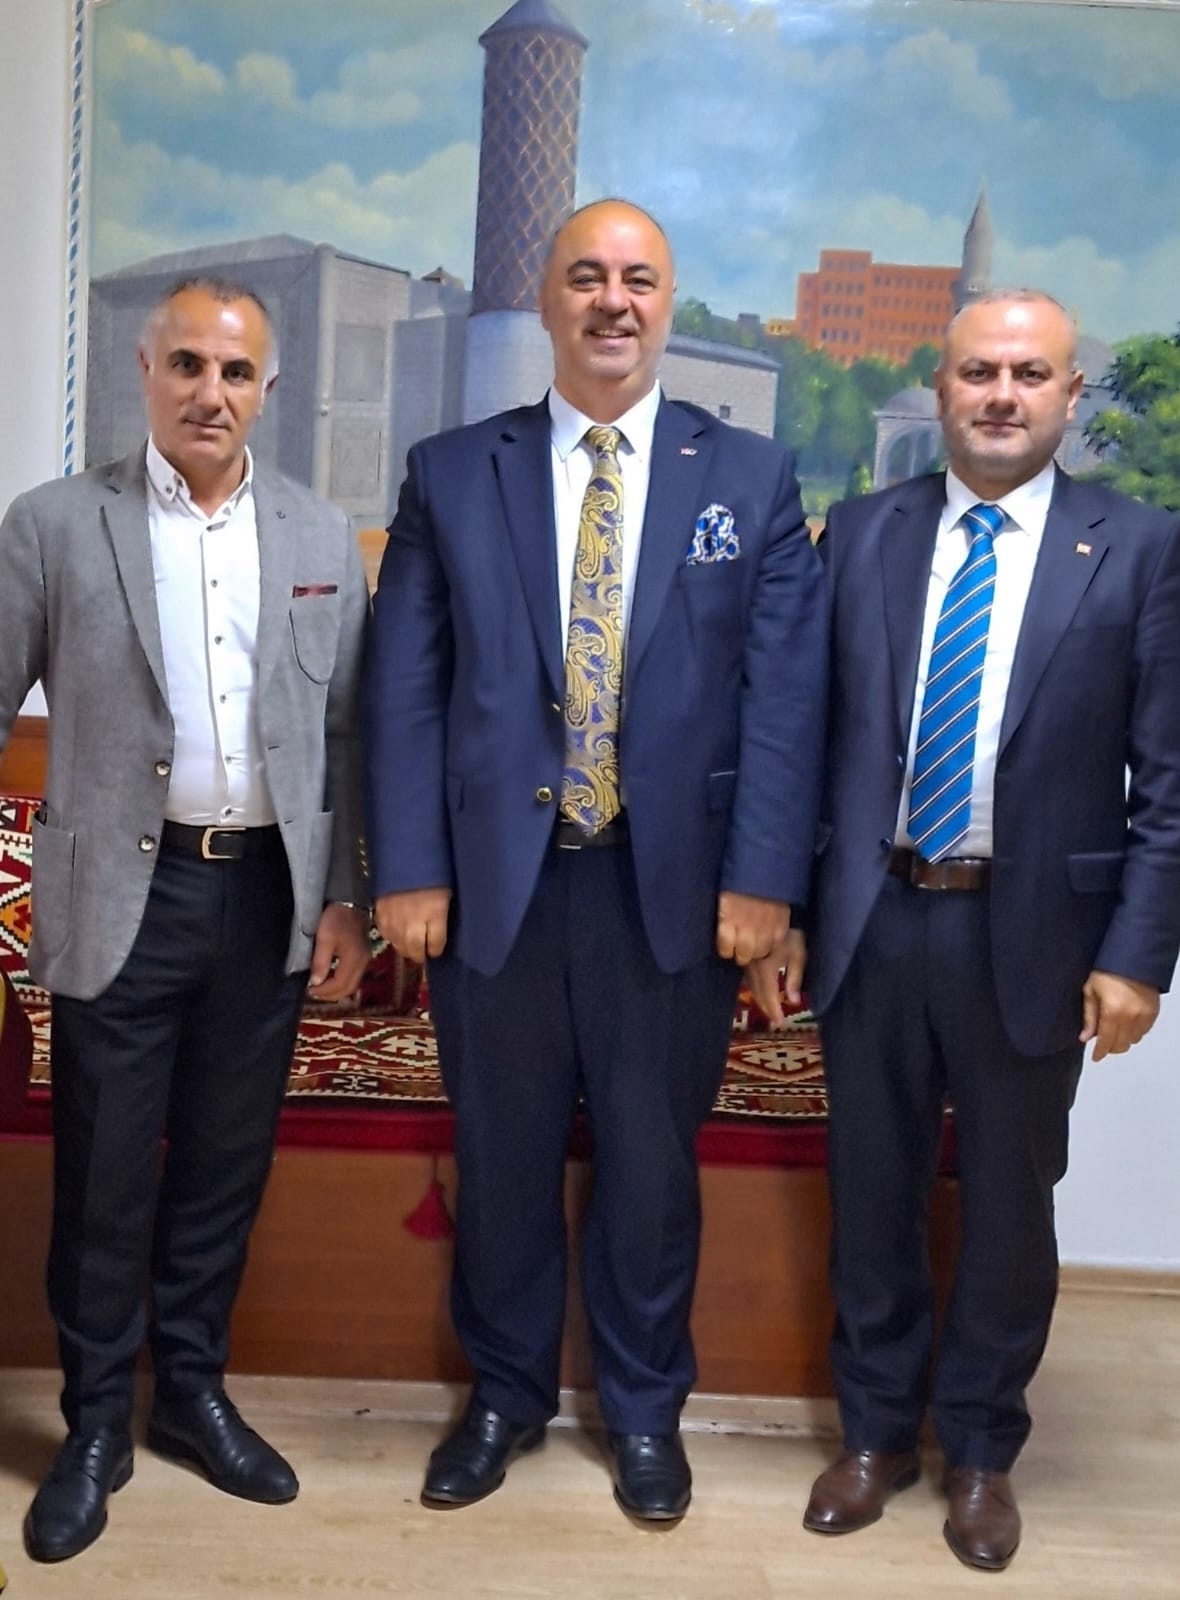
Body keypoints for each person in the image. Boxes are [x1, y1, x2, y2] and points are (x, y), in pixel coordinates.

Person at [363, 199, 826, 1522]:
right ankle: (503, 1396)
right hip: (495, 891)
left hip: (669, 895)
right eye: (586, 277)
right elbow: (405, 686)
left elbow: (785, 699)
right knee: (501, 1158)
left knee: (650, 1168)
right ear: (549, 300)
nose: (612, 301)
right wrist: (407, 866)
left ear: (667, 302)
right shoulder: (455, 471)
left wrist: (764, 879)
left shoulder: (751, 480)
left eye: (638, 279)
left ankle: (642, 1410)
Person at [790, 289, 1180, 1570]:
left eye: (1028, 372)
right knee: (873, 1195)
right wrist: (787, 909)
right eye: (977, 371)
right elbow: (806, 742)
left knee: (1011, 1206)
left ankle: (979, 1450)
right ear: (941, 386)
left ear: (1069, 394)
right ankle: (874, 1434)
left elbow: (1168, 780)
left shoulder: (1138, 548)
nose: (1000, 394)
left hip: (1035, 937)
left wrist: (1134, 955)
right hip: (871, 921)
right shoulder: (862, 532)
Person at [0, 277, 370, 1563]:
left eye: (237, 371)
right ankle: (95, 1422)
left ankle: (192, 1393)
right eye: (188, 366)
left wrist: (345, 896)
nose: (212, 392)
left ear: (268, 387)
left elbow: (344, 736)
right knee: (103, 1173)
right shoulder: (54, 523)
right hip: (122, 897)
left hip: (266, 895)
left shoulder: (320, 534)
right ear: (146, 372)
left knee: (224, 1162)